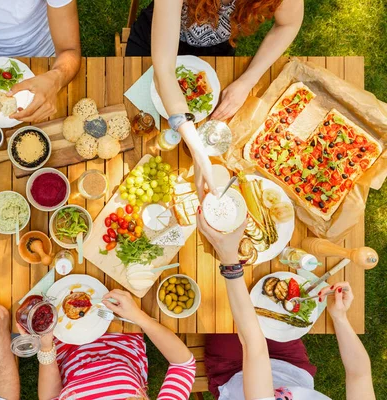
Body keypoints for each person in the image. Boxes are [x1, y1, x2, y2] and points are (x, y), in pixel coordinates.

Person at [196, 209, 376, 399]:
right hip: (291, 368)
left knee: (218, 306)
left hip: (233, 373)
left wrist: (229, 260)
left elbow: (253, 345)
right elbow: (359, 375)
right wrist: (340, 317)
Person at [146, 0, 304, 198]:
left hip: (217, 48)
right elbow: (163, 71)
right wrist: (196, 147)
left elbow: (289, 23)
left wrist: (248, 81)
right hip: (157, 34)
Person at [31, 293, 196, 399]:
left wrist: (46, 348)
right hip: (125, 332)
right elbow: (183, 365)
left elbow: (51, 397)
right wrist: (137, 317)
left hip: (68, 341)